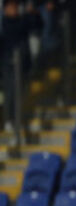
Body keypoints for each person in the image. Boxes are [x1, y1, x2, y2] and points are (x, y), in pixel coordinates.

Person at [1, 0, 40, 130]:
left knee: (20, 91)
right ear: (5, 9)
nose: (14, 9)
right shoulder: (3, 24)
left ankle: (17, 119)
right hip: (7, 63)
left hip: (22, 63)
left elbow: (37, 25)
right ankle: (9, 119)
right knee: (11, 90)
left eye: (15, 6)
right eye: (11, 6)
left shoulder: (22, 21)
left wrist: (33, 14)